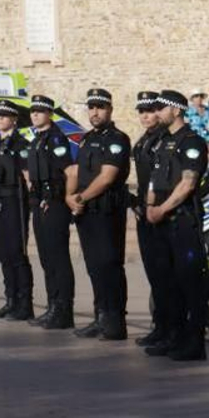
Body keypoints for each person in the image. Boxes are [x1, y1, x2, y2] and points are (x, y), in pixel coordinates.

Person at [144, 90, 209, 361]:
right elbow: (153, 180)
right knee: (167, 283)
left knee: (189, 284)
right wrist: (150, 206)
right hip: (160, 222)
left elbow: (188, 183)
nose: (156, 113)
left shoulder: (191, 141)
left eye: (162, 108)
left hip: (181, 221)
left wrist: (161, 208)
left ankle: (193, 342)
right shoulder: (163, 141)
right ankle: (173, 335)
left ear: (177, 111)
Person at [66, 88, 132, 341]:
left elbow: (107, 177)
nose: (94, 112)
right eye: (91, 107)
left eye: (100, 107)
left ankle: (115, 322)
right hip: (86, 211)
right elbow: (75, 171)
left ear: (110, 109)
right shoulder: (86, 139)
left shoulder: (117, 139)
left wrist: (80, 198)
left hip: (106, 210)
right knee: (94, 267)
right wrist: (69, 197)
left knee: (109, 265)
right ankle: (100, 316)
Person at [22, 95, 78, 331]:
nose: (35, 115)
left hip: (54, 204)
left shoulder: (56, 139)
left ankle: (63, 311)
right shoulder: (37, 140)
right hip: (40, 203)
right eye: (33, 111)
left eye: (40, 111)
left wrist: (65, 198)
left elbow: (71, 172)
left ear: (49, 114)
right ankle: (53, 305)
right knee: (46, 258)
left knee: (58, 258)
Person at [129, 91, 176, 348]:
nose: (147, 116)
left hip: (160, 212)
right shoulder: (143, 141)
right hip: (144, 212)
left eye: (151, 110)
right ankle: (160, 325)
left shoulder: (165, 140)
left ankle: (170, 328)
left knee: (166, 274)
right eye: (142, 111)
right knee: (154, 273)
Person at [0, 98, 34, 322]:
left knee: (16, 253)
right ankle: (10, 300)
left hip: (15, 201)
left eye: (3, 115)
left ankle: (24, 304)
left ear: (13, 119)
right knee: (4, 254)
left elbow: (28, 177)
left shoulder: (21, 144)